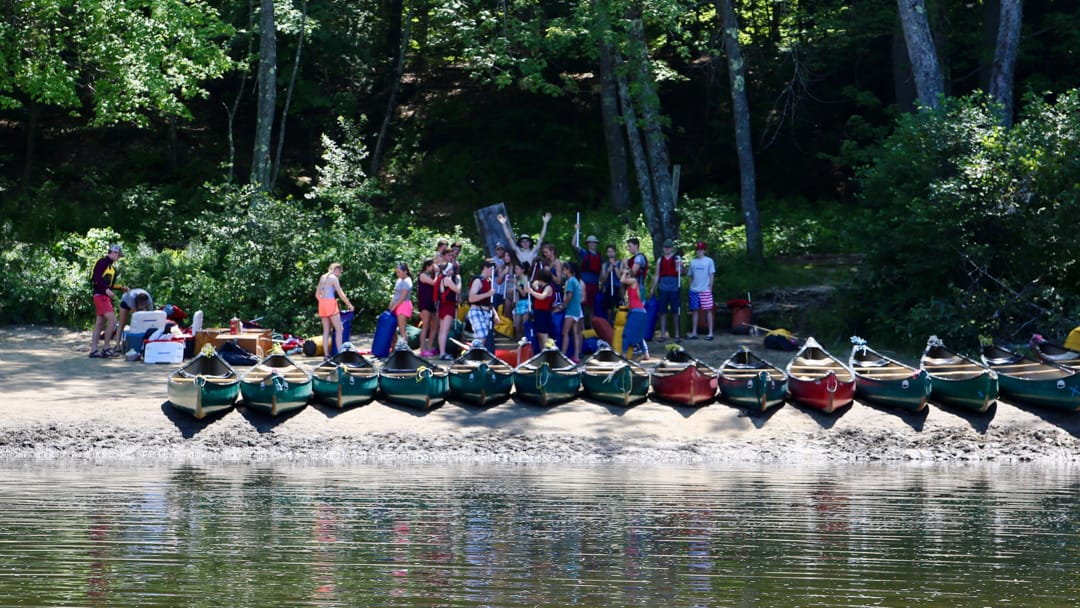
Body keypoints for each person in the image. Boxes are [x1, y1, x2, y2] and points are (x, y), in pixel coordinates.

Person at [89, 244, 128, 358]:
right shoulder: (102, 262)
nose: (119, 257)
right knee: (112, 320)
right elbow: (96, 277)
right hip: (100, 296)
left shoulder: (112, 269)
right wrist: (106, 290)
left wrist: (121, 288)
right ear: (113, 253)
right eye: (118, 255)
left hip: (103, 296)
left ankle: (94, 350)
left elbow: (109, 285)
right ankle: (106, 348)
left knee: (100, 323)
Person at [315, 263, 355, 360]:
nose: (339, 274)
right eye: (340, 272)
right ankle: (339, 354)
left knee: (326, 331)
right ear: (336, 269)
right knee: (339, 329)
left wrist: (323, 302)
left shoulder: (322, 277)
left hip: (322, 304)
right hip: (330, 303)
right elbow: (340, 293)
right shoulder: (333, 278)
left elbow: (317, 295)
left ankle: (326, 355)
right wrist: (349, 304)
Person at [649, 238, 681, 342]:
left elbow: (683, 272)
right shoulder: (660, 260)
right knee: (662, 311)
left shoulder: (677, 259)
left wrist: (680, 266)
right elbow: (657, 275)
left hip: (674, 288)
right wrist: (653, 288)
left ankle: (676, 334)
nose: (667, 249)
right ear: (663, 248)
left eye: (669, 247)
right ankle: (663, 334)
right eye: (665, 247)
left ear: (672, 248)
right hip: (663, 287)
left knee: (675, 311)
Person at [685, 241, 717, 340]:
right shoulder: (693, 262)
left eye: (701, 249)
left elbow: (712, 275)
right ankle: (694, 333)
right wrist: (690, 287)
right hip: (694, 290)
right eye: (698, 250)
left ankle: (710, 333)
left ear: (704, 250)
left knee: (708, 310)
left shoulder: (709, 261)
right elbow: (690, 275)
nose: (699, 251)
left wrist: (710, 288)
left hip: (705, 289)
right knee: (695, 311)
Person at [467, 260, 499, 352]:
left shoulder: (489, 282)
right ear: (486, 268)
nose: (492, 272)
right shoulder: (478, 281)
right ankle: (473, 353)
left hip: (486, 312)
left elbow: (489, 302)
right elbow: (471, 298)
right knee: (483, 336)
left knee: (486, 337)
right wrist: (488, 294)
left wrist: (495, 314)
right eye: (491, 269)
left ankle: (478, 354)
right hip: (476, 311)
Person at [619, 265, 649, 361]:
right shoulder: (631, 286)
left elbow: (621, 280)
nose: (625, 275)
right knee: (639, 334)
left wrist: (625, 272)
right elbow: (636, 299)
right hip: (639, 311)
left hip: (637, 312)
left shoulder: (633, 280)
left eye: (627, 274)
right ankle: (646, 353)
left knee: (626, 332)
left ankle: (623, 355)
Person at [571, 230, 602, 321]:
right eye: (590, 243)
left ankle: (593, 328)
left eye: (594, 243)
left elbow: (600, 271)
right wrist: (576, 231)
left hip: (595, 284)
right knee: (583, 306)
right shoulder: (584, 253)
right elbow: (574, 244)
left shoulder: (599, 256)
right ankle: (582, 328)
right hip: (585, 284)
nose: (592, 244)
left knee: (593, 307)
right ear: (588, 244)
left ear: (596, 244)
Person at [435, 262, 462, 361]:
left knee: (442, 330)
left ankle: (442, 352)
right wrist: (459, 281)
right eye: (451, 269)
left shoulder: (441, 278)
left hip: (443, 306)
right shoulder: (447, 279)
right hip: (447, 307)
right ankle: (442, 353)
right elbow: (458, 290)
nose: (452, 271)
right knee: (444, 331)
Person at [559, 262, 584, 362]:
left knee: (564, 333)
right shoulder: (576, 281)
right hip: (577, 311)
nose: (563, 271)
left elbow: (569, 296)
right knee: (575, 334)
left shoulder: (570, 281)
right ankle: (576, 356)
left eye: (564, 269)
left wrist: (563, 305)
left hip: (571, 311)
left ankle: (563, 356)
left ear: (568, 270)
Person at [527, 268, 556, 347]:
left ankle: (547, 353)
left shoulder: (548, 287)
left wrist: (532, 292)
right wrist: (534, 287)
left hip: (544, 313)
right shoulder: (542, 287)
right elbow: (537, 290)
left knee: (544, 335)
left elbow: (542, 296)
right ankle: (542, 352)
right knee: (539, 335)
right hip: (538, 313)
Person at [417, 259, 439, 356]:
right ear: (427, 266)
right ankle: (422, 348)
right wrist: (438, 273)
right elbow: (434, 283)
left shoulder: (430, 275)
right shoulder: (422, 275)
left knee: (434, 325)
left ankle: (429, 347)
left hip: (431, 303)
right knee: (425, 325)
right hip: (424, 303)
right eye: (432, 266)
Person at [388, 262, 414, 344]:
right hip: (396, 305)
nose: (397, 274)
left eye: (399, 272)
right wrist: (391, 304)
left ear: (405, 271)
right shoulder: (399, 280)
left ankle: (404, 348)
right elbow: (396, 294)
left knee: (402, 328)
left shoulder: (407, 281)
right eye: (397, 272)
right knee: (392, 328)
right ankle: (394, 347)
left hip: (403, 306)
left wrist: (394, 307)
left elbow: (402, 297)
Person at [599, 244, 622, 321]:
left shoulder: (619, 263)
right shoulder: (604, 265)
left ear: (615, 253)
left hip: (617, 288)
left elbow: (620, 277)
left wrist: (614, 266)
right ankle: (609, 324)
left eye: (612, 251)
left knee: (618, 307)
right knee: (608, 308)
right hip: (608, 288)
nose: (611, 253)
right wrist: (608, 271)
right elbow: (602, 280)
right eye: (609, 252)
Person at [512, 261, 531, 339]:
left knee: (524, 324)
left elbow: (524, 293)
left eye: (517, 269)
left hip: (526, 302)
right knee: (516, 325)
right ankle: (519, 341)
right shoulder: (518, 279)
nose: (516, 271)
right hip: (519, 303)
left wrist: (517, 285)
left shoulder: (525, 278)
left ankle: (526, 341)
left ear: (522, 270)